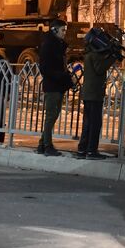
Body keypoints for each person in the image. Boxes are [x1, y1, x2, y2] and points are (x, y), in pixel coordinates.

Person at [75, 28, 115, 159]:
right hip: (94, 94)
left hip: (89, 93)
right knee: (94, 123)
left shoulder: (89, 54)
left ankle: (82, 149)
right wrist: (111, 58)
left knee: (88, 122)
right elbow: (100, 68)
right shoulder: (94, 55)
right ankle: (91, 150)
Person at [36, 17, 73, 156]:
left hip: (58, 85)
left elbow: (60, 65)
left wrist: (66, 78)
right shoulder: (49, 45)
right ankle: (47, 145)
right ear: (55, 30)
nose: (64, 33)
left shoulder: (58, 44)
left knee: (53, 115)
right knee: (51, 116)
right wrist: (60, 76)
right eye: (62, 30)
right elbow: (45, 68)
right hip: (52, 86)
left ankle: (42, 144)